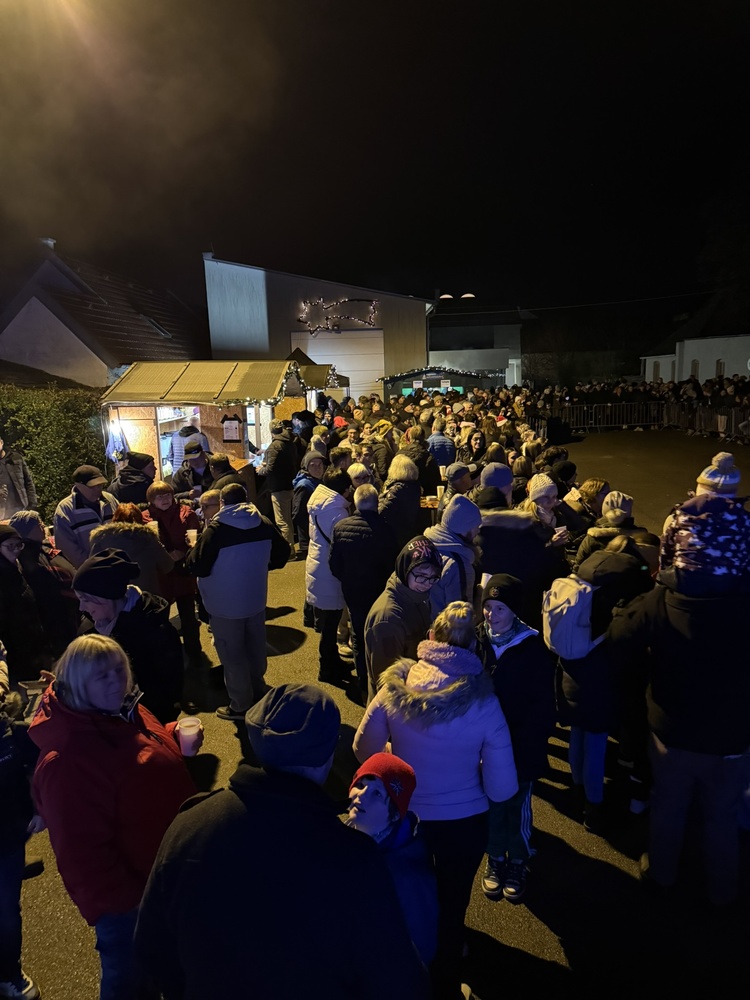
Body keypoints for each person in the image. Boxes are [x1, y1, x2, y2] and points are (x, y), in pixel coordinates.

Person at [135, 684, 430, 1000]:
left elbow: (150, 947)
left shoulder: (190, 825)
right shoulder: (356, 859)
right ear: (329, 754)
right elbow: (398, 981)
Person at [354, 601, 518, 1000]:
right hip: (464, 822)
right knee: (452, 899)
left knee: (406, 897)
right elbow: (502, 789)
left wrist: (394, 750)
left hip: (404, 815)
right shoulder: (485, 702)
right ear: (473, 647)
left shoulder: (395, 688)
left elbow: (363, 750)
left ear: (430, 637)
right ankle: (445, 979)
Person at [29, 634, 196, 1000]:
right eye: (100, 675)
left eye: (119, 669)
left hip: (159, 879)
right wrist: (131, 906)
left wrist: (170, 737)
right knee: (129, 982)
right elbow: (83, 859)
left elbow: (135, 752)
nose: (115, 680)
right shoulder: (68, 761)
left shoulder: (121, 708)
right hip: (130, 903)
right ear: (77, 684)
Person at [476, 575, 556, 903]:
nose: (491, 614)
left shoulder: (532, 646)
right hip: (484, 746)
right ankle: (495, 856)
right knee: (491, 804)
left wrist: (531, 742)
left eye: (500, 608)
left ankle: (519, 859)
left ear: (515, 611)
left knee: (518, 804)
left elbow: (543, 705)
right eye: (488, 606)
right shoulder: (476, 640)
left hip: (520, 745)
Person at [185, 483, 290, 719]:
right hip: (255, 598)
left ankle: (241, 705)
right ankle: (258, 690)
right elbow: (282, 554)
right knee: (255, 648)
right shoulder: (263, 522)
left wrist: (192, 547)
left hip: (224, 603)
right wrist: (258, 565)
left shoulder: (217, 530)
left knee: (232, 655)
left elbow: (197, 566)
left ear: (222, 503)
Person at [74, 548, 186, 724]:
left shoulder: (154, 629)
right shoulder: (92, 627)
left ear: (107, 596)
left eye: (86, 599)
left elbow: (169, 691)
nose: (81, 607)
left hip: (145, 723)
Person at [346, 753, 438, 965]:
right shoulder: (349, 832)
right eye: (360, 784)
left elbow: (422, 946)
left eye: (378, 793)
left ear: (395, 814)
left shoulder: (407, 876)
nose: (362, 796)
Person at [0, 642, 42, 1000]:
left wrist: (41, 809)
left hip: (7, 836)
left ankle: (8, 972)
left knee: (6, 912)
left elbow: (40, 768)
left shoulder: (12, 734)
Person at [329, 484, 397, 697]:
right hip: (379, 591)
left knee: (358, 634)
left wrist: (347, 579)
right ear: (376, 503)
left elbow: (334, 564)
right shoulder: (386, 529)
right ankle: (381, 680)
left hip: (353, 590)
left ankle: (362, 679)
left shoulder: (341, 527)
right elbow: (392, 564)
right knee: (379, 634)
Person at [364, 536, 443, 703]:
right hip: (398, 707)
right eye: (421, 576)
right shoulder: (388, 619)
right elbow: (387, 682)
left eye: (433, 577)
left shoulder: (415, 596)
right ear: (405, 569)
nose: (427, 583)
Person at [141, 482, 203, 663]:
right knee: (161, 619)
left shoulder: (186, 513)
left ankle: (195, 655)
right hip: (160, 576)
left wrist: (183, 551)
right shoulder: (144, 518)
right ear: (151, 500)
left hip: (183, 573)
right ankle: (166, 657)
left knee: (189, 617)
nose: (164, 499)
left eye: (167, 495)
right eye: (159, 496)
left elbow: (196, 537)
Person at [304, 468, 354, 685]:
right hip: (329, 572)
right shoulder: (337, 512)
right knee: (330, 625)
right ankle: (327, 669)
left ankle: (332, 662)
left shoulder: (318, 502)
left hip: (317, 564)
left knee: (328, 623)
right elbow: (341, 545)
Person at [9, 510, 80, 658]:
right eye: (38, 524)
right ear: (28, 530)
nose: (43, 526)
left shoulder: (39, 550)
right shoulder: (29, 558)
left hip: (64, 618)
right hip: (57, 622)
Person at [90, 503, 174, 601]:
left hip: (114, 600)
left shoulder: (101, 540)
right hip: (146, 599)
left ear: (115, 519)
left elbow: (92, 571)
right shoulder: (148, 539)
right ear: (140, 520)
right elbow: (168, 566)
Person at [0, 525, 48, 684]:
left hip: (31, 646)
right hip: (16, 652)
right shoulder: (4, 577)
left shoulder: (17, 569)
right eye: (10, 546)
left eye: (18, 545)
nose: (16, 550)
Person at [424, 494, 482, 617]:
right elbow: (460, 617)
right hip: (445, 628)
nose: (478, 531)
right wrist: (479, 598)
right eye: (475, 527)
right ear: (463, 528)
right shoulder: (457, 565)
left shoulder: (428, 547)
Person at [53, 466, 118, 568]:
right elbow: (67, 548)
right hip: (90, 570)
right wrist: (91, 567)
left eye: (100, 485)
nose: (98, 489)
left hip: (119, 565)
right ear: (78, 485)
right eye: (92, 486)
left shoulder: (110, 500)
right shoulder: (66, 509)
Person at [257, 418, 298, 554]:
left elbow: (270, 469)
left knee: (282, 521)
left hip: (278, 487)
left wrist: (260, 470)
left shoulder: (275, 446)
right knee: (287, 519)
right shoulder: (290, 442)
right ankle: (291, 546)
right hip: (290, 484)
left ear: (271, 432)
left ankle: (288, 551)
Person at [378, 453, 422, 553]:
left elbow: (382, 511)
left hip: (395, 534)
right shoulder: (415, 487)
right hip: (409, 531)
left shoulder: (396, 490)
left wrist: (382, 496)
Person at [0, 435, 37, 522]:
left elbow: (28, 482)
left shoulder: (16, 458)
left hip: (22, 508)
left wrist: (32, 505)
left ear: (1, 442)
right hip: (2, 513)